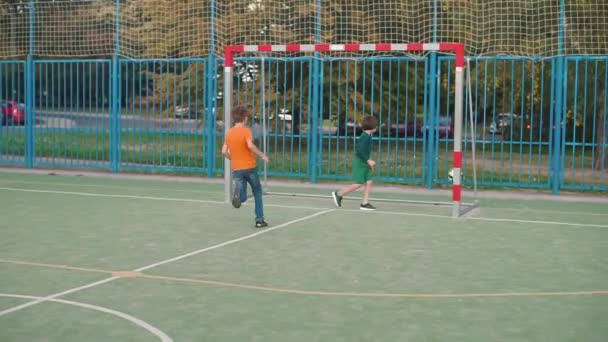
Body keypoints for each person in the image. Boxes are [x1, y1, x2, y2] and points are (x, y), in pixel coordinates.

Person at [222, 106, 269, 228]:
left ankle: (239, 196)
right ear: (243, 118)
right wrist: (262, 155)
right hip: (250, 166)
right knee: (257, 192)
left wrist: (233, 158)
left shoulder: (229, 133)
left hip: (237, 168)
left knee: (241, 192)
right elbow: (250, 145)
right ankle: (259, 220)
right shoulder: (246, 131)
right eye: (246, 116)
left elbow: (223, 151)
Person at [332, 115, 378, 211]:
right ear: (372, 127)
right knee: (358, 184)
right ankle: (338, 194)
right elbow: (359, 151)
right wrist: (368, 160)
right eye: (376, 125)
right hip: (360, 162)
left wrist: (369, 161)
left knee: (369, 181)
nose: (377, 127)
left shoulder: (368, 135)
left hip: (365, 161)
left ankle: (364, 203)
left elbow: (364, 151)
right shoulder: (364, 137)